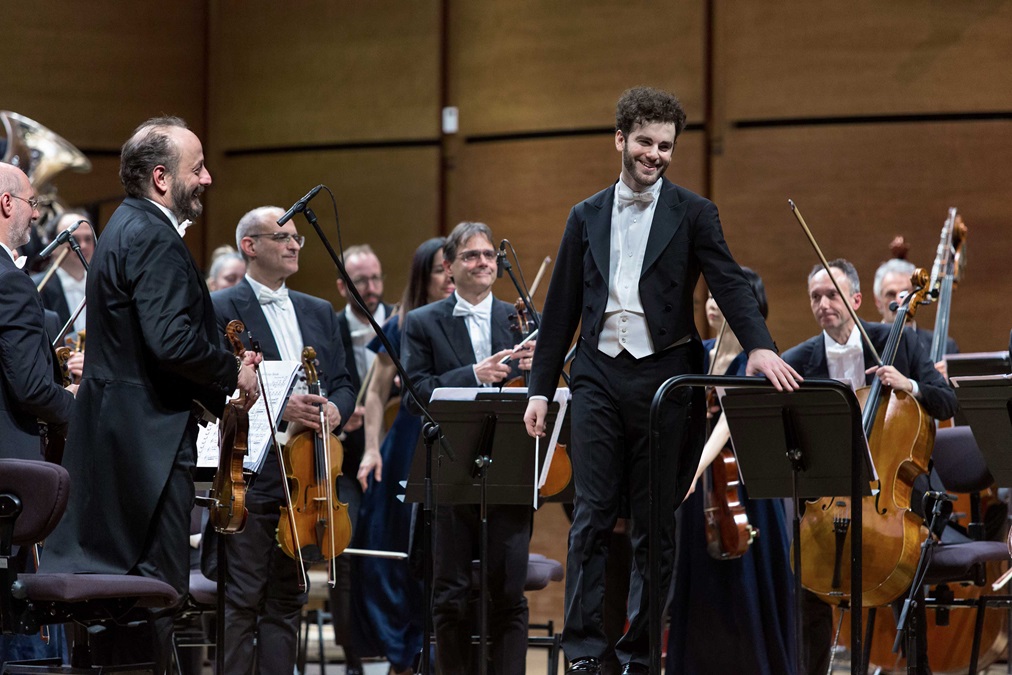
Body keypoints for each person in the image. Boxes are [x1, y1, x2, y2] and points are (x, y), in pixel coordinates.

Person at [523, 86, 800, 675]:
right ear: (620, 139)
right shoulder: (585, 215)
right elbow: (560, 308)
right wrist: (540, 390)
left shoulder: (695, 212)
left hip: (666, 377)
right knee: (593, 516)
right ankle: (585, 652)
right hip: (597, 372)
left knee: (655, 524)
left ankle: (640, 654)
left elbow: (729, 282)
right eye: (645, 142)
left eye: (666, 146)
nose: (655, 154)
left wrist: (761, 348)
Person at [40, 116, 259, 670]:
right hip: (148, 451)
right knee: (155, 596)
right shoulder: (154, 237)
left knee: (124, 601)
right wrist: (231, 374)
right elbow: (173, 342)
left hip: (122, 441)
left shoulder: (122, 226)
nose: (208, 178)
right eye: (198, 167)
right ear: (162, 178)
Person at [781, 258, 957, 675]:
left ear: (857, 300)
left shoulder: (897, 343)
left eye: (833, 295)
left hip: (889, 500)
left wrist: (909, 385)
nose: (824, 303)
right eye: (815, 297)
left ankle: (919, 670)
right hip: (827, 499)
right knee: (808, 587)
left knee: (900, 575)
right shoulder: (797, 360)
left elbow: (946, 400)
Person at [209, 205, 356, 674]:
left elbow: (346, 382)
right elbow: (215, 385)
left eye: (298, 239)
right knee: (242, 600)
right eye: (283, 237)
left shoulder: (319, 311)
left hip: (309, 473)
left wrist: (337, 408)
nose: (295, 245)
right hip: (252, 471)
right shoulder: (220, 308)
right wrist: (279, 405)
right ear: (249, 246)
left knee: (287, 601)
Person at [402, 221, 535, 675]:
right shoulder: (421, 323)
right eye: (471, 256)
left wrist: (537, 370)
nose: (483, 263)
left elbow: (541, 397)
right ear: (449, 266)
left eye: (488, 256)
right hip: (451, 470)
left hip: (512, 471)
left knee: (509, 595)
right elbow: (413, 393)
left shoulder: (520, 320)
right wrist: (472, 376)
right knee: (451, 595)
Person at [668, 268, 797, 675]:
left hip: (746, 486)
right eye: (710, 294)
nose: (711, 301)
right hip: (699, 492)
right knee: (701, 586)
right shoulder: (698, 352)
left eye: (723, 295)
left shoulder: (758, 357)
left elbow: (729, 424)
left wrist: (691, 472)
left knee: (747, 586)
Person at [353, 236, 454, 674]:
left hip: (458, 447)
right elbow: (375, 393)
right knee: (395, 552)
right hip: (408, 447)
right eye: (439, 269)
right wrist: (372, 449)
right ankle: (403, 653)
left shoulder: (472, 320)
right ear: (422, 277)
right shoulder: (403, 322)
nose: (449, 276)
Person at [331, 243, 393, 673]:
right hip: (347, 462)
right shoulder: (329, 328)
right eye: (360, 281)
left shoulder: (404, 325)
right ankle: (354, 654)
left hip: (400, 456)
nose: (371, 289)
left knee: (400, 552)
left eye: (375, 279)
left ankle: (398, 649)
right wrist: (339, 418)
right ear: (342, 287)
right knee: (346, 551)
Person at [873, 257, 959, 372]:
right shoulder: (866, 346)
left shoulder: (947, 347)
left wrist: (945, 383)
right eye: (891, 294)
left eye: (905, 293)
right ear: (878, 302)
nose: (899, 301)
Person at [32, 210, 94, 339]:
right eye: (73, 239)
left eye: (88, 239)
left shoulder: (105, 284)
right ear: (52, 244)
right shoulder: (36, 288)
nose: (82, 245)